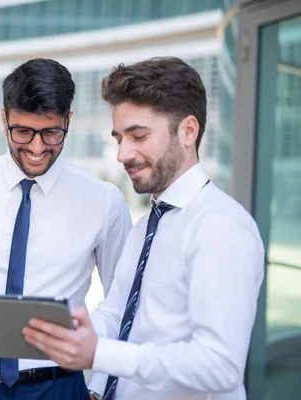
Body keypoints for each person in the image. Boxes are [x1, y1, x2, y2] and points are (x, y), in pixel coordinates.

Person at [23, 57, 265, 400]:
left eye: (138, 136)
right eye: (119, 138)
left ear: (188, 131)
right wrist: (75, 333)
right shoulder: (146, 227)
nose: (122, 154)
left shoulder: (220, 226)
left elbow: (220, 365)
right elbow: (119, 314)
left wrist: (99, 354)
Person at [0, 58, 132, 400]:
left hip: (61, 385)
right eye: (23, 132)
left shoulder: (104, 201)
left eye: (51, 132)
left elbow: (120, 303)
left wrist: (96, 387)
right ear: (4, 120)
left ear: (68, 121)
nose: (36, 147)